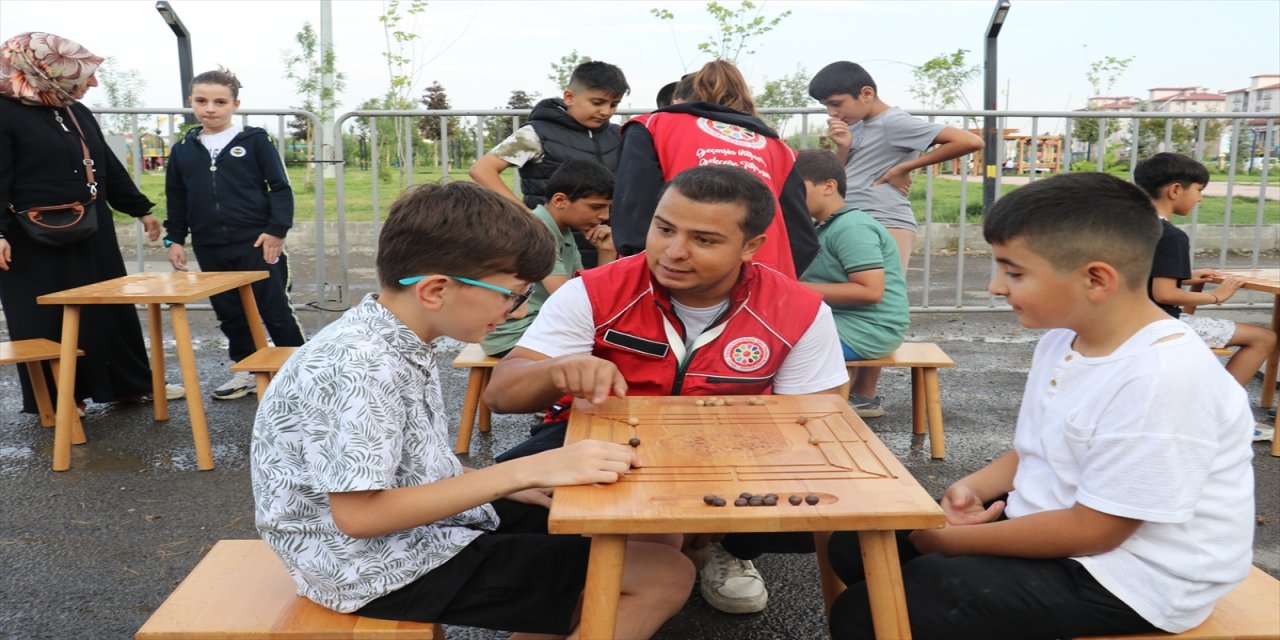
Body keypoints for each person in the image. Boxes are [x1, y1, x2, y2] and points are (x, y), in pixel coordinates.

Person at [250, 181, 693, 638]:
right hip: (373, 567)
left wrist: (499, 486)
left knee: (646, 532)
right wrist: (522, 472)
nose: (518, 312)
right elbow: (361, 515)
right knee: (662, 575)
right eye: (511, 295)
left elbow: (398, 465)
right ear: (436, 290)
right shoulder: (360, 365)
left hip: (413, 533)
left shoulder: (391, 336)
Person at [825, 173, 1256, 640]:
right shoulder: (1063, 338)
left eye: (1014, 272)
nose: (995, 286)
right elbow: (1039, 447)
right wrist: (968, 490)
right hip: (1067, 529)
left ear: (1096, 279)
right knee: (858, 544)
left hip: (1138, 576)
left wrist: (952, 540)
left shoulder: (1163, 376)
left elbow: (1097, 530)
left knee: (881, 608)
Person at [484, 165, 850, 616]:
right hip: (598, 443)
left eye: (704, 239)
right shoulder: (595, 290)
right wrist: (557, 370)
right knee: (499, 507)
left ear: (751, 246)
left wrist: (707, 500)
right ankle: (648, 560)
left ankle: (721, 546)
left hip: (733, 452)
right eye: (664, 228)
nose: (673, 252)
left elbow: (816, 424)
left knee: (835, 511)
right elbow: (501, 395)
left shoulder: (799, 309)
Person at [0, 32, 182, 414]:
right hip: (29, 238)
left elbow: (104, 164)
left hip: (90, 228)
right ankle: (59, 398)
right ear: (45, 70)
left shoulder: (70, 108)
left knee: (109, 309)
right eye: (81, 74)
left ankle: (127, 385)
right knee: (45, 316)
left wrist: (141, 209)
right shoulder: (4, 111)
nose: (92, 83)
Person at [163, 67, 306, 401]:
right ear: (191, 102)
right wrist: (175, 239)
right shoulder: (184, 149)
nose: (210, 108)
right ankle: (248, 369)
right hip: (210, 244)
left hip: (256, 242)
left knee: (274, 308)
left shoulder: (254, 140)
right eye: (201, 101)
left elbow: (280, 188)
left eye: (219, 102)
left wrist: (276, 230)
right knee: (230, 311)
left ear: (235, 104)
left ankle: (300, 372)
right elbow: (177, 196)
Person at [612, 60, 818, 278]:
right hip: (761, 288)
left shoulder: (652, 127)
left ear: (678, 100)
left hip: (676, 278)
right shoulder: (777, 148)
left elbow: (633, 212)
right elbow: (803, 240)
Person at [1134, 152, 1277, 441]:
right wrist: (1218, 296)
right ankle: (1218, 414)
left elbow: (1142, 276)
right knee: (1265, 338)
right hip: (1160, 326)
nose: (1200, 198)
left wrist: (1188, 275)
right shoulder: (1171, 235)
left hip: (1130, 322)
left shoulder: (1130, 226)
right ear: (1175, 190)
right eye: (1199, 190)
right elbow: (1164, 292)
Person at [808, 61, 984, 272]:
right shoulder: (855, 126)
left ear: (866, 93)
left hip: (883, 217)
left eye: (836, 103)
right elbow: (839, 175)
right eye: (826, 106)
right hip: (848, 216)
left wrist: (902, 168)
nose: (831, 112)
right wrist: (843, 148)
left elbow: (971, 141)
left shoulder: (893, 122)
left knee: (882, 294)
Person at [468, 60, 629, 269]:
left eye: (614, 104)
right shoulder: (537, 133)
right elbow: (482, 170)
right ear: (569, 97)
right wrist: (530, 218)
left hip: (604, 245)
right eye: (597, 102)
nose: (606, 111)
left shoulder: (619, 135)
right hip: (551, 249)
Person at [795, 150, 908, 418]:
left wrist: (793, 290)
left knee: (786, 344)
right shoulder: (825, 226)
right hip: (850, 323)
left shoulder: (852, 227)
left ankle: (820, 412)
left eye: (797, 189)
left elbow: (870, 290)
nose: (789, 198)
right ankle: (856, 399)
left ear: (828, 186)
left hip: (869, 329)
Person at [481, 158, 617, 358]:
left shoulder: (562, 231)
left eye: (608, 208)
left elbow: (587, 289)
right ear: (560, 200)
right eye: (596, 207)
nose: (604, 216)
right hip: (515, 335)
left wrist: (606, 251)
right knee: (615, 345)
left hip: (536, 326)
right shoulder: (537, 231)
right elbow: (572, 300)